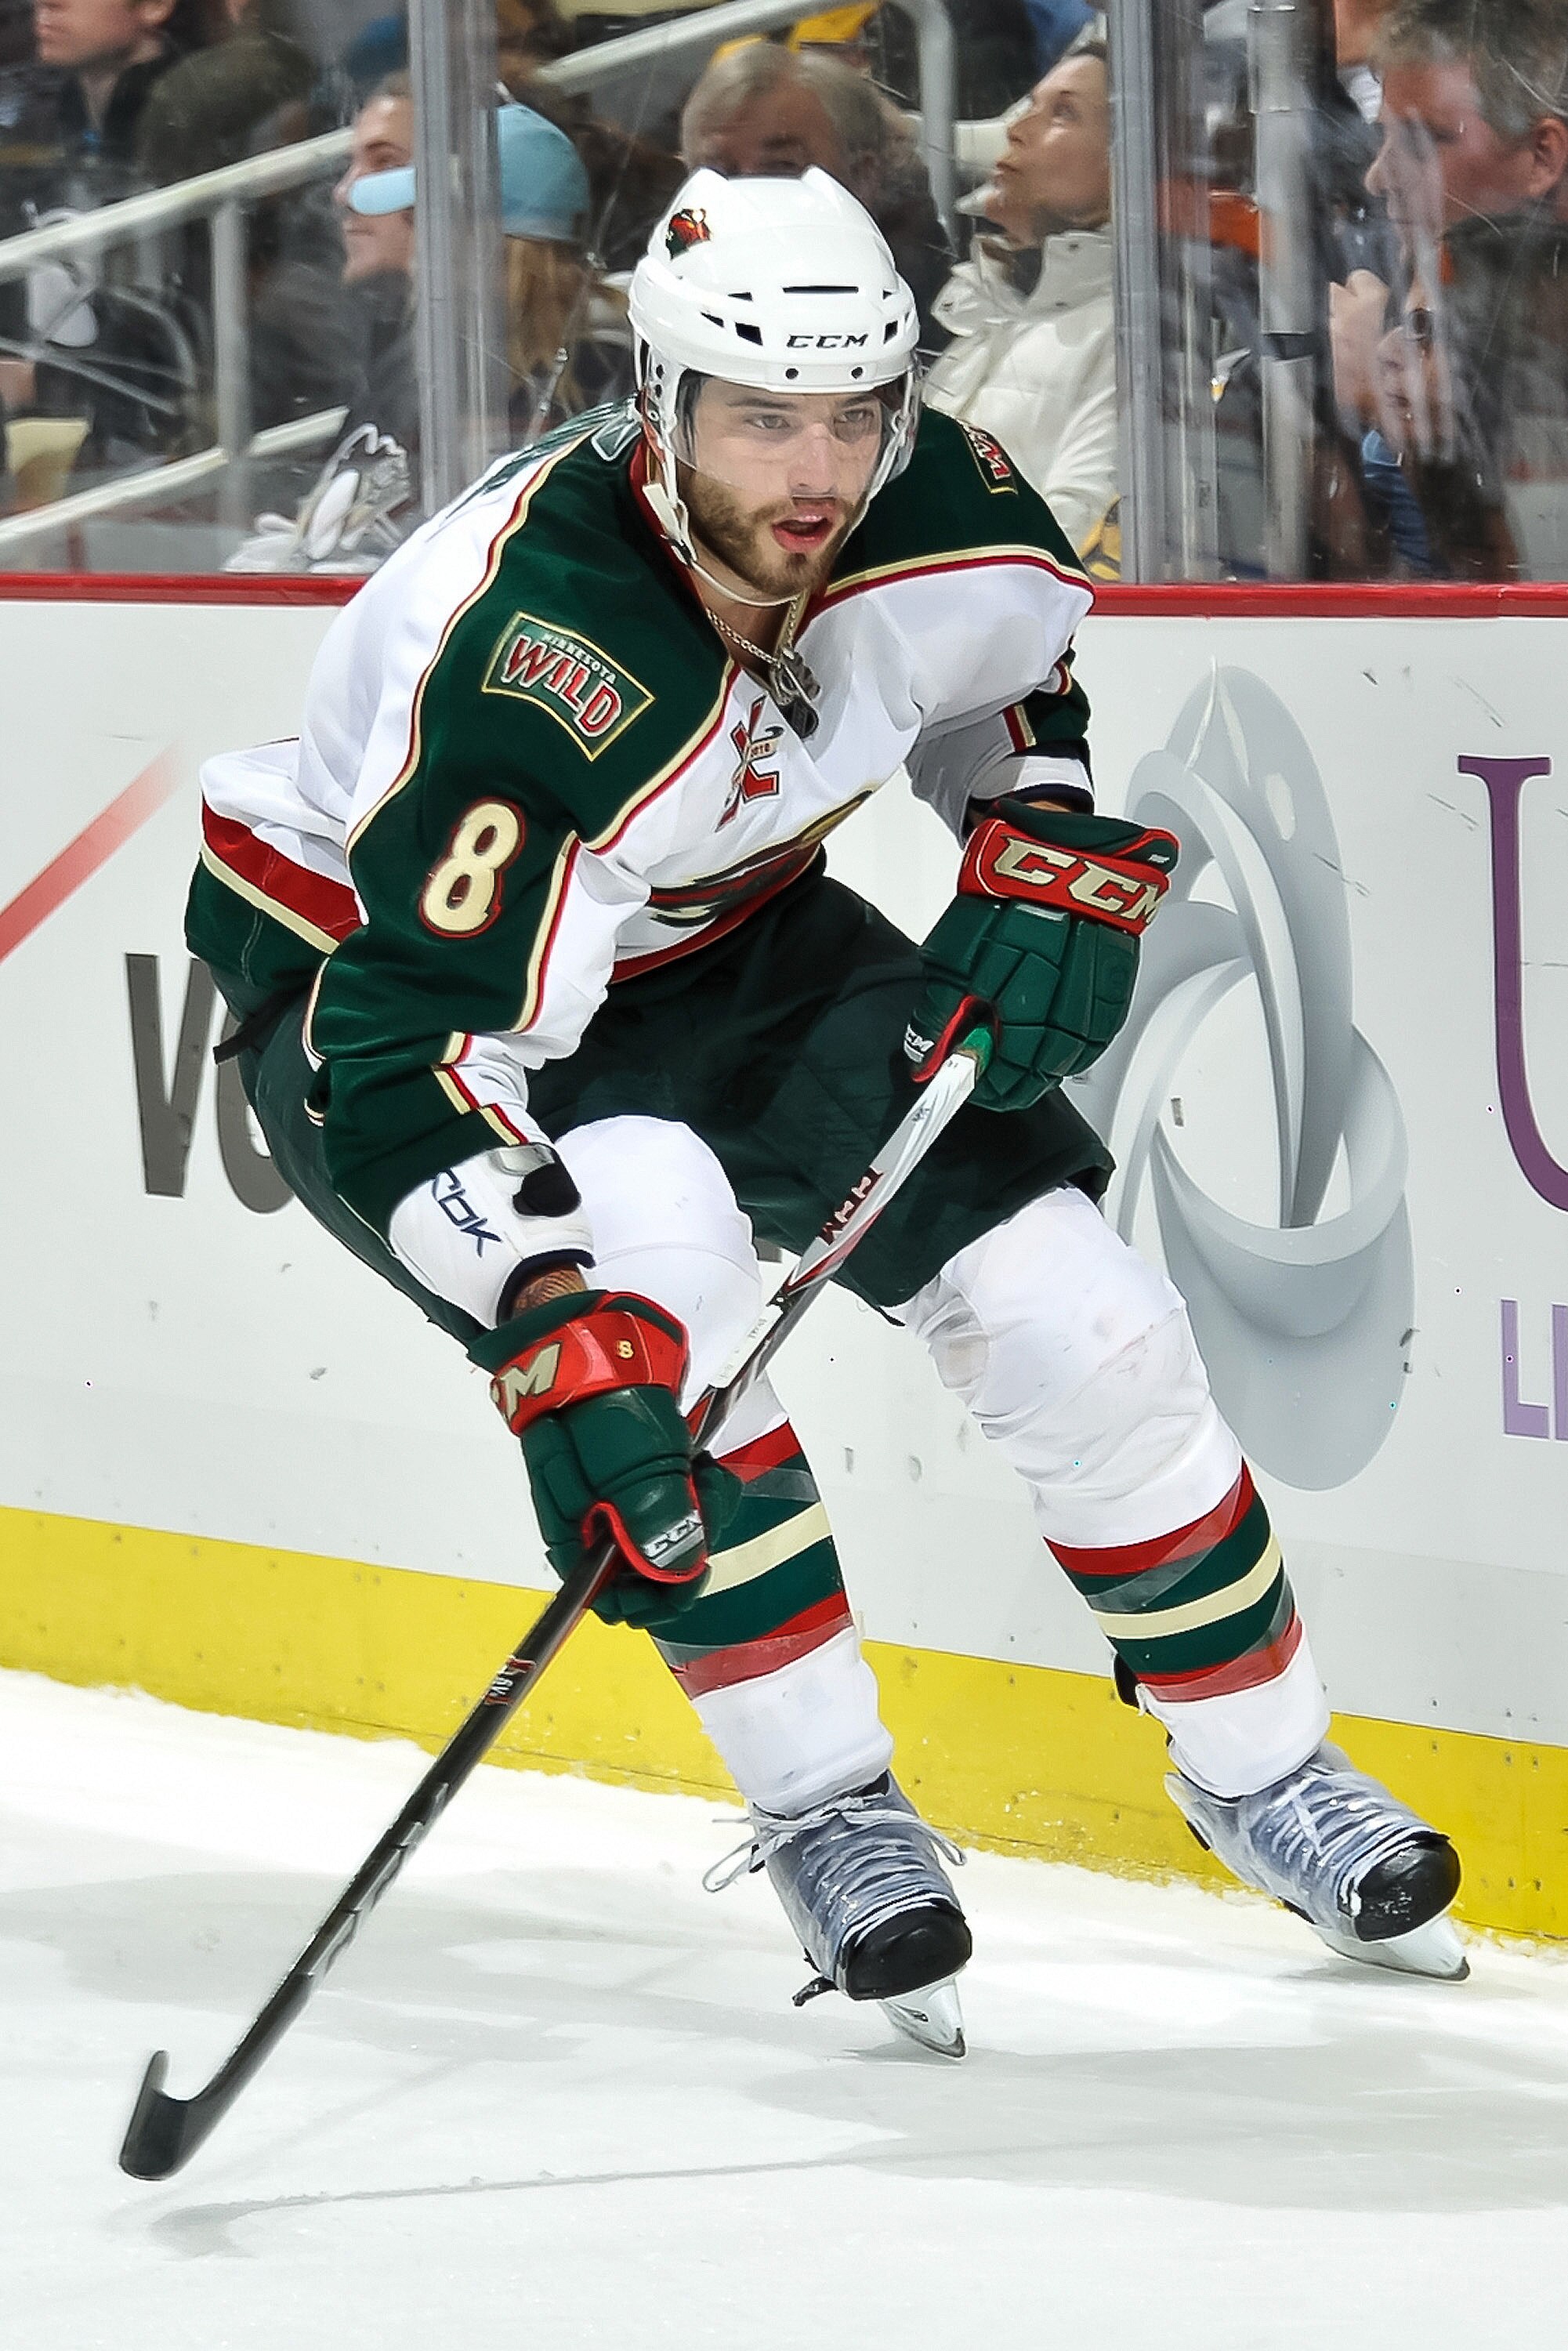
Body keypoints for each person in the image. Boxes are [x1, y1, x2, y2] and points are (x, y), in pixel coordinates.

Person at [187, 168, 1468, 2054]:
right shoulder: (530, 656)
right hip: (390, 995)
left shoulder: (945, 501)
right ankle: (825, 1807)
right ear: (659, 398)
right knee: (671, 1325)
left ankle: (1264, 1772)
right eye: (760, 416)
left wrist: (1029, 837)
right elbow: (415, 1051)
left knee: (1079, 1319)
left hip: (725, 932)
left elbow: (1004, 683)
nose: (814, 465)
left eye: (851, 415)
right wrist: (552, 1322)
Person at [1357, 0, 1568, 576]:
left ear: (1541, 156)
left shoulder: (1528, 339)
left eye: (1420, 141)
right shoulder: (1422, 289)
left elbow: (1519, 601)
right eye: (1384, 140)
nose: (1376, 176)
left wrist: (1430, 442)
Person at [922, 42, 1115, 556]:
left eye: (1063, 113)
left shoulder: (1133, 335)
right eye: (1031, 105)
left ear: (1129, 165)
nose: (1016, 129)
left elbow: (1068, 553)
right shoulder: (987, 308)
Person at [679, 40, 950, 335]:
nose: (747, 196)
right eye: (719, 173)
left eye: (779, 168)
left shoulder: (928, 315)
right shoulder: (675, 272)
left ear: (861, 177)